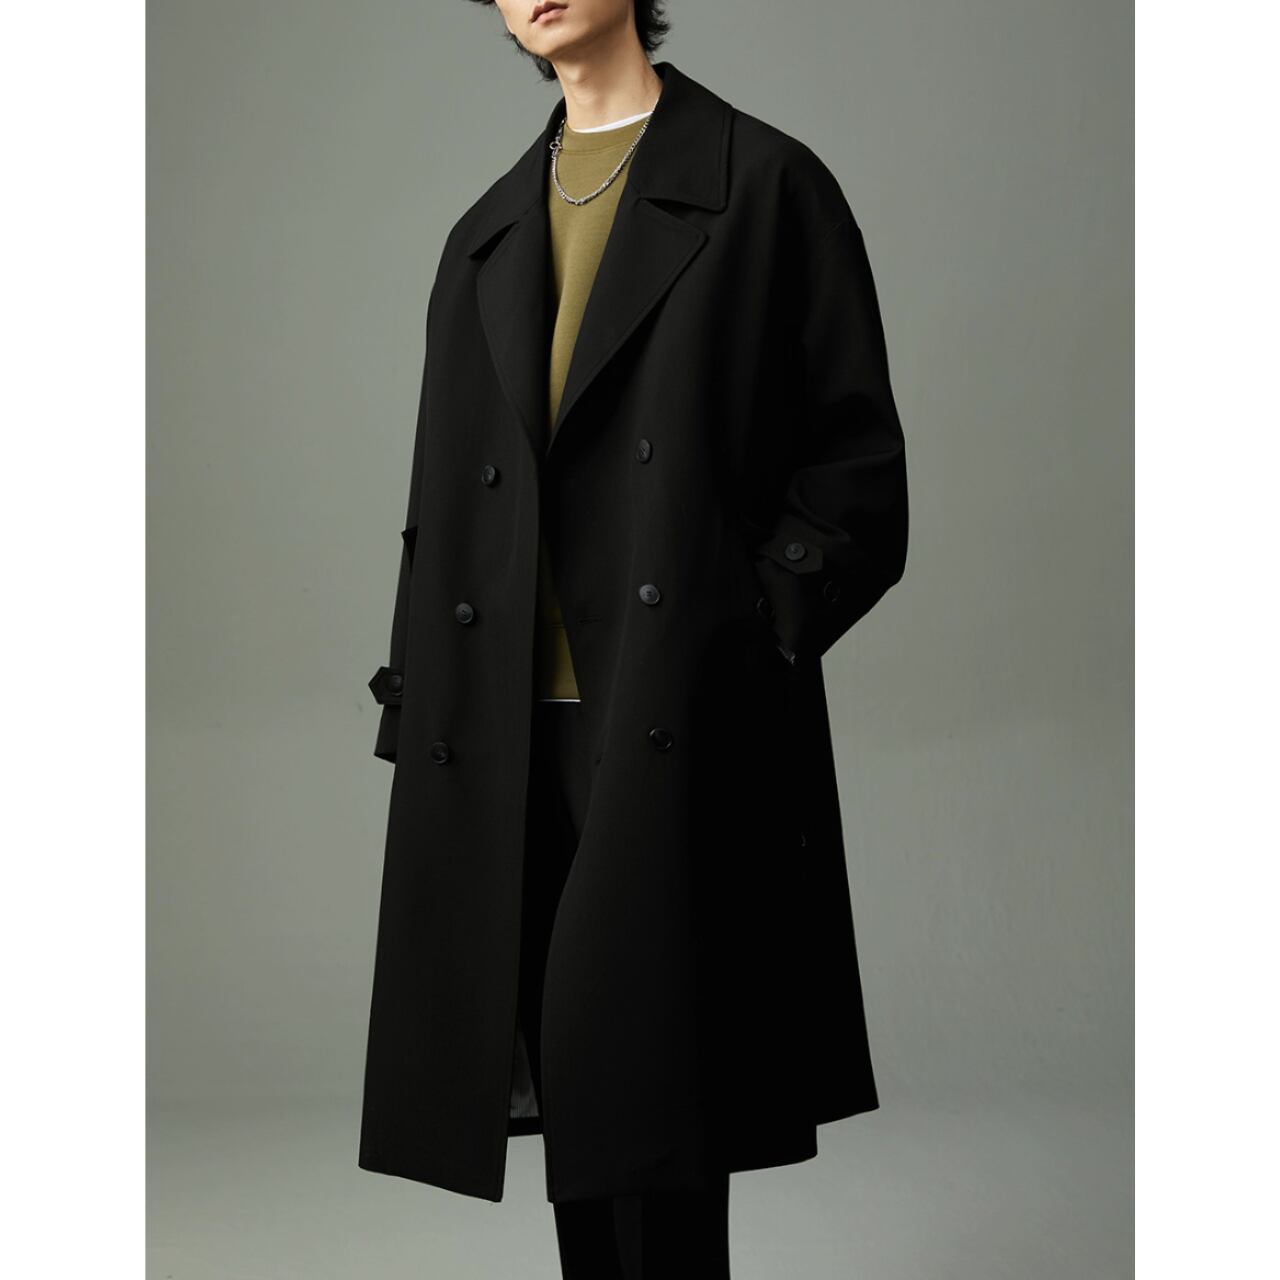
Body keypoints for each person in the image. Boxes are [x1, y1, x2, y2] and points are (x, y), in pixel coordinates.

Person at [359, 3, 910, 1277]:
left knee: (658, 1105)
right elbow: (441, 500)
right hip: (505, 731)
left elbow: (855, 466)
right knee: (580, 1102)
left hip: (668, 716)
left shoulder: (763, 185)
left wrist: (744, 634)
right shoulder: (486, 231)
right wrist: (418, 700)